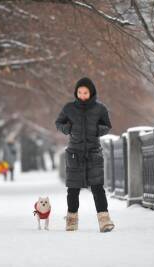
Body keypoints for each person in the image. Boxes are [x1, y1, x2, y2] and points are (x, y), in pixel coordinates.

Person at [55, 77, 115, 232]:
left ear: (91, 93)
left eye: (85, 92)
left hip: (94, 153)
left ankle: (104, 221)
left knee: (97, 188)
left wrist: (97, 130)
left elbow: (107, 125)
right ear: (76, 92)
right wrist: (66, 128)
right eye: (79, 92)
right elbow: (58, 123)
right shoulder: (69, 108)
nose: (82, 95)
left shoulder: (100, 108)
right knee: (73, 190)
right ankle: (71, 221)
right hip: (74, 153)